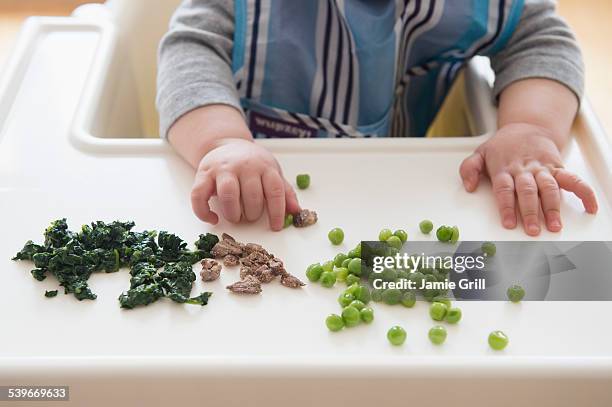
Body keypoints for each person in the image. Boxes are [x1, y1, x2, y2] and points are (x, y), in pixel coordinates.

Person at [157, 0, 598, 234]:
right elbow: (190, 50)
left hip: (392, 187)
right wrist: (220, 141)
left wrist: (530, 127)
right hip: (252, 196)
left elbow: (539, 39)